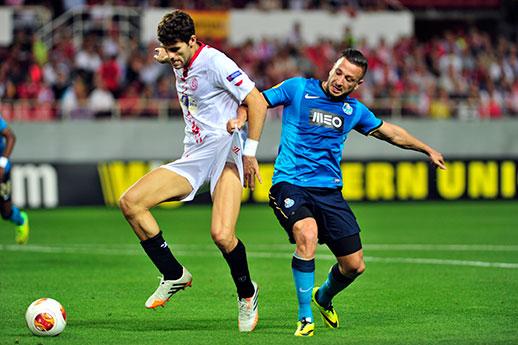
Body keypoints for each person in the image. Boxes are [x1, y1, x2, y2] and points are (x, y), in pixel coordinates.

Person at [233, 48, 446, 336]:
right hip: (290, 183)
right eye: (338, 72)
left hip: (329, 192)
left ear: (357, 85)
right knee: (306, 234)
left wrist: (427, 149)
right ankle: (305, 317)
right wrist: (240, 119)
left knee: (354, 266)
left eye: (349, 79)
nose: (340, 80)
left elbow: (390, 132)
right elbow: (255, 101)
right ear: (331, 68)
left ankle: (323, 297)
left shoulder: (354, 111)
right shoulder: (297, 88)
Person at [118, 10, 267, 332]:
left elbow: (256, 101)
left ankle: (247, 293)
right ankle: (173, 274)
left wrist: (251, 153)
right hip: (195, 156)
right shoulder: (177, 58)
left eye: (176, 50)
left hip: (228, 152)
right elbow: (172, 57)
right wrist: (164, 55)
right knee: (130, 203)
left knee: (222, 235)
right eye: (166, 49)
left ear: (193, 41)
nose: (172, 57)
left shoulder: (216, 62)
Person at [0, 112, 30, 244]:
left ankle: (21, 219)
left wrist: (2, 164)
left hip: (1, 170)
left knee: (6, 213)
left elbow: (11, 137)